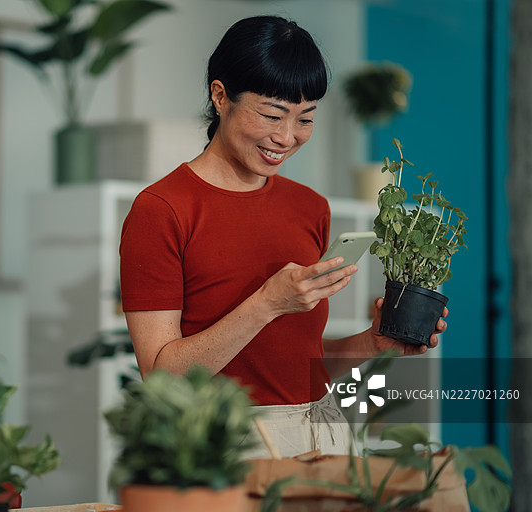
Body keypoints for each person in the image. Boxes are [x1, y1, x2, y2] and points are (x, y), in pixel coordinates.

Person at [118, 15, 447, 458]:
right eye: (272, 115)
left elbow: (295, 366)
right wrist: (267, 303)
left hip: (322, 435)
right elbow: (161, 378)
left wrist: (371, 342)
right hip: (222, 447)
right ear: (220, 96)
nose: (287, 137)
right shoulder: (162, 210)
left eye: (305, 118)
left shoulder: (310, 208)